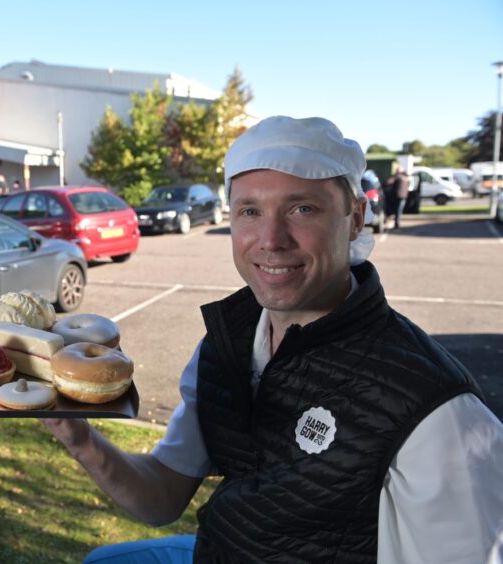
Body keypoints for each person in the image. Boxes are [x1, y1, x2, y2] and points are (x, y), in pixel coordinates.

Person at [44, 116, 503, 563]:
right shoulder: (229, 344)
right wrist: (81, 439)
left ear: (356, 217)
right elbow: (162, 495)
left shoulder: (436, 411)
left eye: (302, 208)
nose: (270, 239)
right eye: (250, 211)